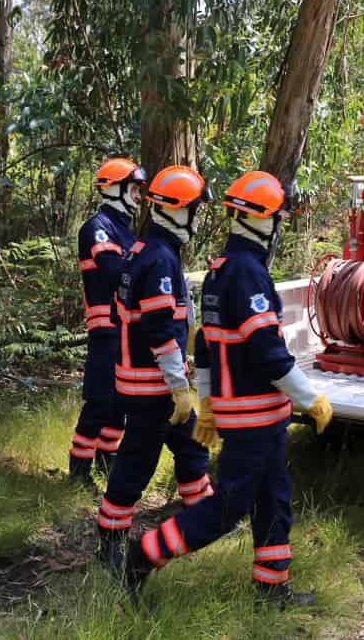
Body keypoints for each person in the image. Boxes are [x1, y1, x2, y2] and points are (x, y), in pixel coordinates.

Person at [120, 171, 333, 605]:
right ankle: (145, 554)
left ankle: (271, 586)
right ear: (259, 219)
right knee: (229, 507)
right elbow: (267, 351)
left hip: (255, 415)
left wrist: (209, 404)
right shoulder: (248, 273)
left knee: (274, 497)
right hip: (253, 417)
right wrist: (309, 398)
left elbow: (206, 345)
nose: (279, 226)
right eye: (277, 218)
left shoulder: (221, 271)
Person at [96, 165, 215, 571]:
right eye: (195, 211)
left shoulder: (147, 250)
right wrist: (179, 387)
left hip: (152, 382)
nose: (197, 219)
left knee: (191, 445)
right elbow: (160, 330)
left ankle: (202, 517)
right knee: (136, 464)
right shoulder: (159, 259)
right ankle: (110, 541)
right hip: (152, 389)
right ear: (178, 210)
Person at [69, 158, 146, 485]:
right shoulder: (96, 227)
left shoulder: (125, 231)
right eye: (134, 189)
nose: (138, 196)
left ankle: (106, 462)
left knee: (120, 404)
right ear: (115, 189)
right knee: (100, 401)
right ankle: (78, 472)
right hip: (106, 329)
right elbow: (117, 273)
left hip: (126, 329)